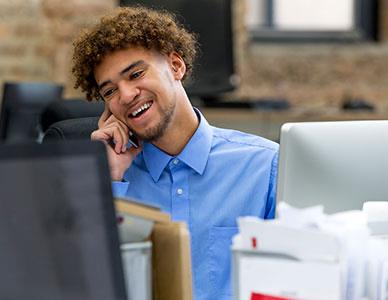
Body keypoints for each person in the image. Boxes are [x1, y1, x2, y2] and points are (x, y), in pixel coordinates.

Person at [72, 6, 278, 300]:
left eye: (136, 74)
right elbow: (87, 284)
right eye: (110, 91)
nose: (126, 95)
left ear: (176, 65)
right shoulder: (109, 181)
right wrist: (109, 180)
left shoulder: (264, 166)